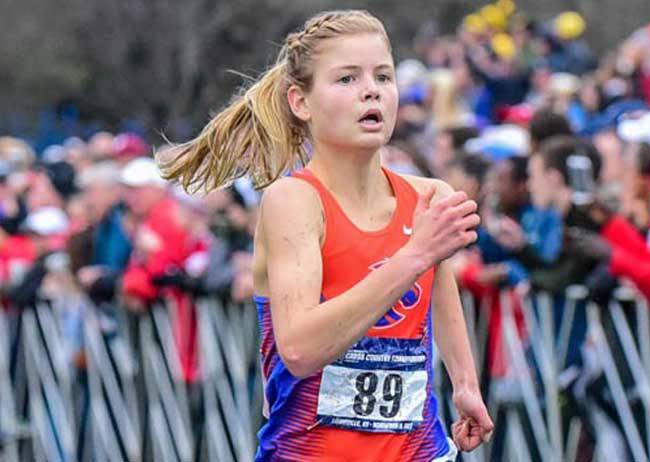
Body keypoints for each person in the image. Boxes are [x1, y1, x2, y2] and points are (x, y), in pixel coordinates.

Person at [159, 9, 493, 462]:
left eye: (383, 76)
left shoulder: (427, 195)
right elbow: (299, 348)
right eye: (347, 79)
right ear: (301, 102)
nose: (371, 90)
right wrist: (414, 255)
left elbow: (439, 286)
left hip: (419, 450)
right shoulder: (293, 202)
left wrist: (466, 383)